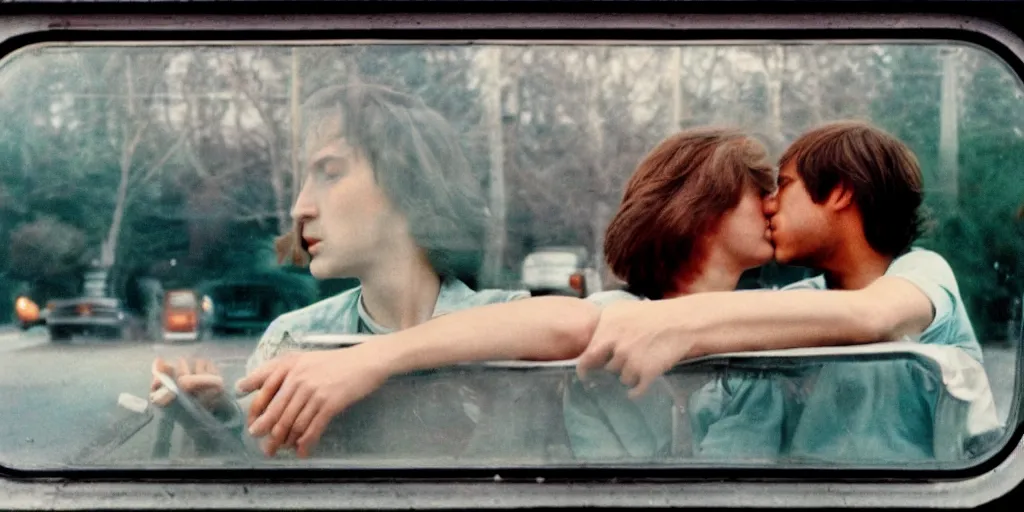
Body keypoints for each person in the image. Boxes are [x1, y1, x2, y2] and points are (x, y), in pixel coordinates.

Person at [236, 126, 779, 458]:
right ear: (707, 209)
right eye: (759, 191)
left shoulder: (785, 320)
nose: (773, 203)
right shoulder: (614, 318)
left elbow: (857, 312)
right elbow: (575, 324)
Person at [149, 83, 529, 457]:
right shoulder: (295, 337)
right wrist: (215, 421)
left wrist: (371, 359)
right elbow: (266, 483)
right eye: (305, 180)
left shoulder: (511, 325)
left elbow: (578, 322)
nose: (300, 208)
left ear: (407, 184)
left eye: (329, 174)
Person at [575, 120, 984, 462]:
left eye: (783, 185)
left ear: (840, 191)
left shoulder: (922, 272)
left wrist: (675, 323)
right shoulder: (802, 301)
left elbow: (875, 317)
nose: (769, 205)